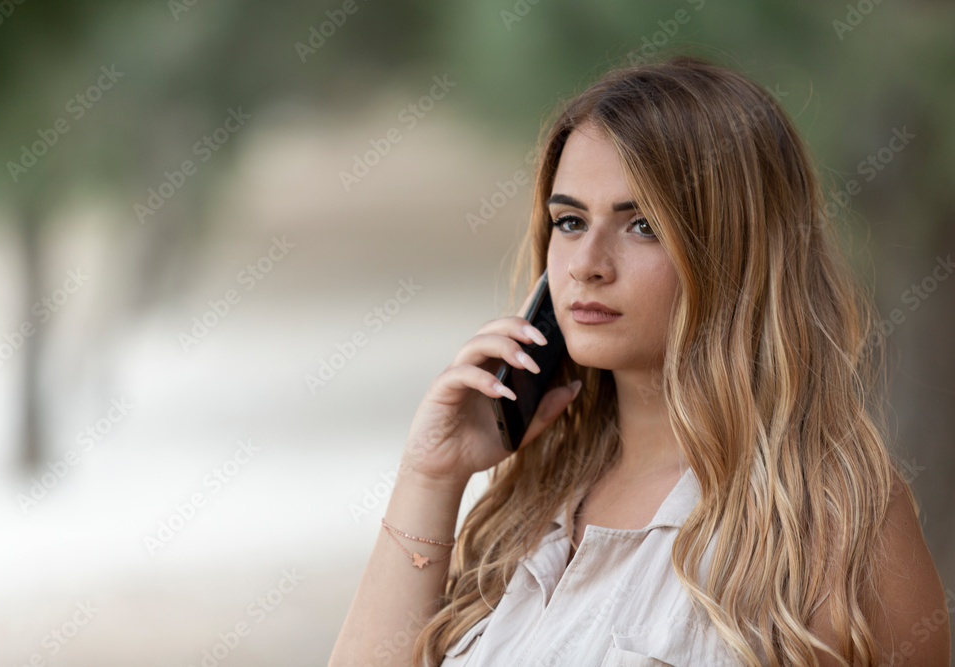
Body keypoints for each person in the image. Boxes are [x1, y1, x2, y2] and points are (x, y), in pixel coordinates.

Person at [328, 54, 951, 667]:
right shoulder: (523, 510)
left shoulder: (830, 523)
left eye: (643, 225)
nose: (586, 264)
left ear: (737, 252)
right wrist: (431, 476)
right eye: (570, 222)